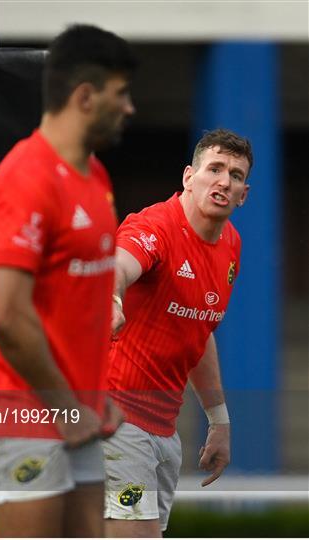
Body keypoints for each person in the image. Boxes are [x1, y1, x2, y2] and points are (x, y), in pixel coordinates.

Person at [0, 25, 137, 537]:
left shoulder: (94, 176)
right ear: (85, 96)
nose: (130, 108)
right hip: (11, 405)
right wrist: (67, 405)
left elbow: (78, 299)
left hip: (72, 405)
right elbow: (6, 315)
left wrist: (92, 396)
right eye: (120, 93)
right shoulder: (25, 180)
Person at [103, 129, 253, 537]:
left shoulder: (231, 246)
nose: (224, 180)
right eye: (215, 169)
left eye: (235, 175)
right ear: (189, 176)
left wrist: (219, 421)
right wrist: (112, 298)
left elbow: (198, 330)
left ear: (243, 194)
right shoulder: (155, 226)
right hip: (115, 420)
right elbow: (118, 266)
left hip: (164, 433)